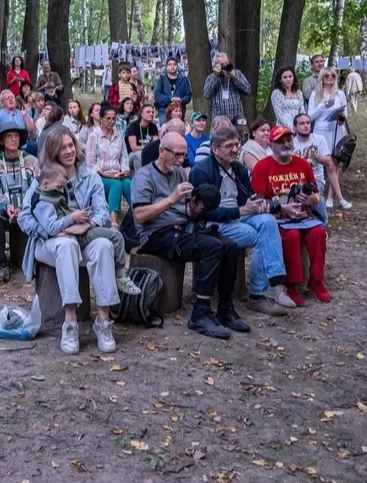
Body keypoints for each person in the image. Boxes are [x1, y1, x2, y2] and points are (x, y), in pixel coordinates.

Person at [131, 133, 247, 338]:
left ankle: (225, 307)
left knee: (228, 245)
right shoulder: (144, 176)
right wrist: (172, 198)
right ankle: (200, 312)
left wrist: (197, 206)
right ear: (161, 151)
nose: (180, 160)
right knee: (212, 247)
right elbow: (140, 216)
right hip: (155, 235)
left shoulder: (180, 174)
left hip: (182, 228)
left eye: (183, 156)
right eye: (176, 155)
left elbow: (186, 212)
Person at [17, 129, 122, 354]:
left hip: (84, 237)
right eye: (62, 147)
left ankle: (103, 322)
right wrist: (50, 231)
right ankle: (70, 322)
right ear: (53, 151)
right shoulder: (43, 178)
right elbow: (23, 217)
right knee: (66, 245)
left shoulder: (90, 176)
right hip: (51, 243)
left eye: (71, 145)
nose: (68, 151)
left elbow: (103, 212)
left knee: (104, 246)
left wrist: (88, 225)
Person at [189, 125, 296, 316]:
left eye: (237, 144)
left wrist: (271, 207)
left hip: (237, 216)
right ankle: (257, 295)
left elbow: (247, 199)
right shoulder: (201, 171)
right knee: (257, 235)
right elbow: (205, 213)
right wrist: (240, 210)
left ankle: (275, 284)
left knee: (268, 221)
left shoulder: (238, 168)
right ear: (215, 149)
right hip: (215, 223)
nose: (235, 149)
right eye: (229, 145)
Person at [250, 126, 330, 306]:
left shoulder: (302, 164)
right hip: (278, 219)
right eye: (281, 141)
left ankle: (316, 280)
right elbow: (258, 203)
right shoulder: (263, 167)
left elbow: (317, 197)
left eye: (288, 140)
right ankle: (291, 284)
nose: (286, 144)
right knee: (291, 236)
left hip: (304, 217)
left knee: (318, 232)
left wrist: (310, 199)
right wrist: (284, 207)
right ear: (271, 144)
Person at [32, 163, 139, 292]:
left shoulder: (52, 193)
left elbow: (62, 214)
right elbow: (51, 227)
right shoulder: (44, 202)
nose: (61, 191)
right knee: (116, 236)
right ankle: (120, 274)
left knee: (110, 241)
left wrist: (79, 216)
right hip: (73, 236)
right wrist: (72, 218)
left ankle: (117, 278)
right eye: (59, 187)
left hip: (76, 231)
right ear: (45, 184)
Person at [0, 121, 39, 283]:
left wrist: (23, 208)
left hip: (28, 209)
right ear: (2, 140)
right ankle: (0, 264)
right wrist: (6, 206)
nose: (14, 139)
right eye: (9, 136)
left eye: (16, 136)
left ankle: (34, 260)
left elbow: (37, 191)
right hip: (5, 209)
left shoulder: (32, 161)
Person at [307, 67, 352, 209]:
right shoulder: (315, 94)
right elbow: (310, 116)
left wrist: (341, 118)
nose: (330, 78)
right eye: (327, 75)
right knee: (323, 162)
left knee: (335, 163)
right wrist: (322, 106)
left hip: (337, 129)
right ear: (322, 77)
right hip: (321, 130)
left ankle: (331, 196)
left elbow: (345, 113)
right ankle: (318, 192)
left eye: (332, 75)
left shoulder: (339, 94)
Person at [88, 113, 132, 228]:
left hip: (118, 173)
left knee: (128, 183)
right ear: (101, 119)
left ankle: (138, 213)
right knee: (116, 185)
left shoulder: (119, 136)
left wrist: (125, 171)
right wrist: (104, 173)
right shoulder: (94, 136)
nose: (112, 121)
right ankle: (113, 221)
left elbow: (124, 158)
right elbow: (90, 163)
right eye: (108, 118)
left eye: (114, 119)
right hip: (100, 175)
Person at [203, 52, 251, 122]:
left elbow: (248, 90)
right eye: (223, 64)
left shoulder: (237, 73)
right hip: (220, 121)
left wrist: (234, 78)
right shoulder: (211, 77)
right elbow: (206, 95)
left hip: (237, 118)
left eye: (227, 63)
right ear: (216, 66)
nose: (226, 66)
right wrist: (215, 76)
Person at [153, 57, 192, 126]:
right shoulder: (161, 80)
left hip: (179, 112)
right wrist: (170, 99)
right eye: (170, 64)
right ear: (166, 67)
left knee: (179, 132)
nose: (172, 66)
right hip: (164, 111)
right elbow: (157, 96)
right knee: (165, 131)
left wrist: (181, 99)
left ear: (177, 66)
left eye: (174, 64)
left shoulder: (184, 80)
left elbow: (188, 96)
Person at [125, 104, 159, 171]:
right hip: (131, 155)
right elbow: (134, 148)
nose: (151, 114)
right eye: (148, 112)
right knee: (139, 155)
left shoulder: (153, 127)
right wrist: (148, 148)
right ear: (141, 114)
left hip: (148, 153)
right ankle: (140, 178)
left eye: (152, 112)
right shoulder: (133, 126)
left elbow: (155, 145)